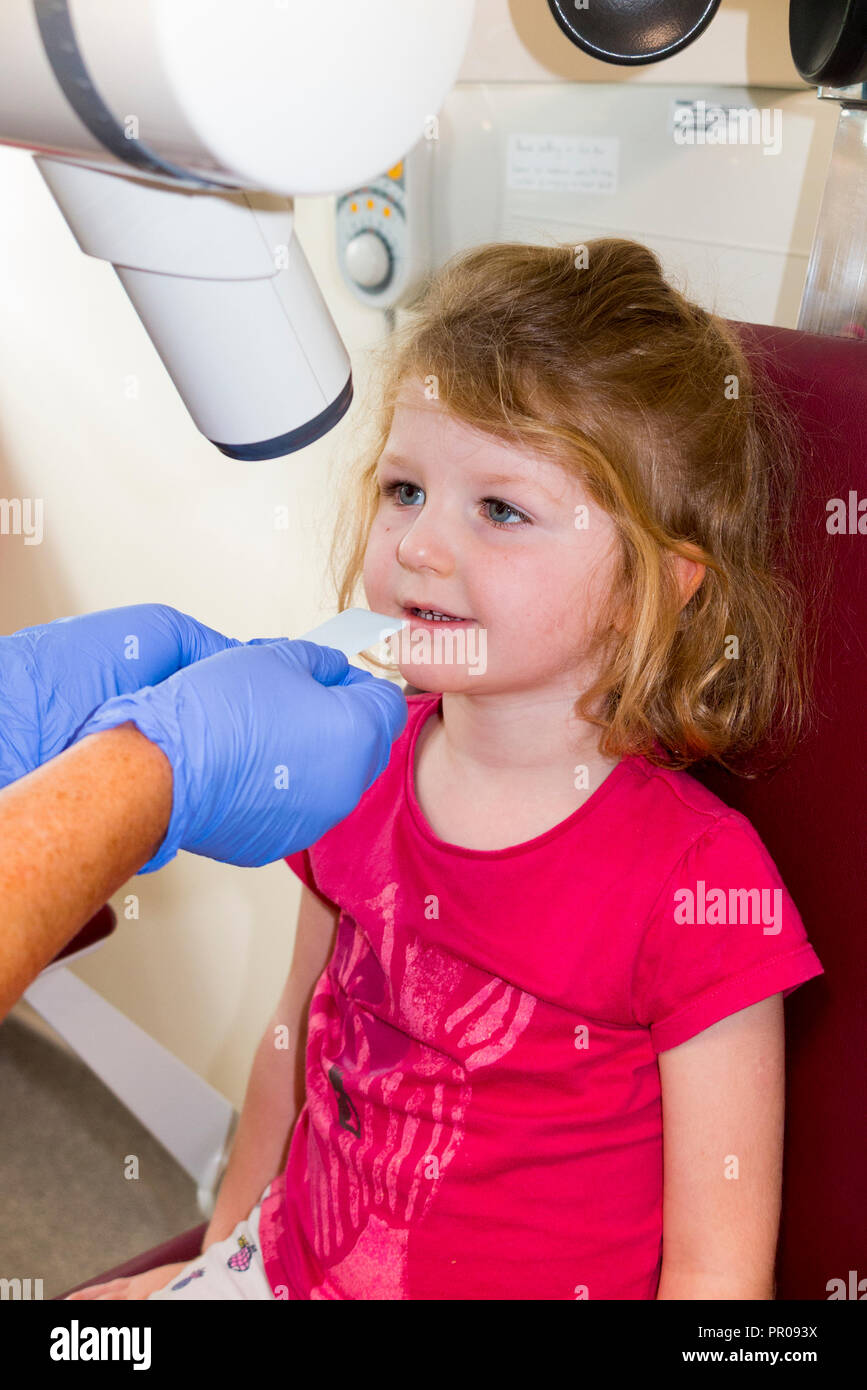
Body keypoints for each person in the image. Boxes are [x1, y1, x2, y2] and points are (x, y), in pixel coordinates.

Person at [70, 237, 825, 1302]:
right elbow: (289, 1043)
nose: (418, 546)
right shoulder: (352, 756)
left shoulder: (700, 886)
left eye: (500, 509)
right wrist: (218, 1261)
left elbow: (718, 1272)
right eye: (405, 489)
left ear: (652, 585)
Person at [0, 603, 407, 1019]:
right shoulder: (367, 779)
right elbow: (299, 1009)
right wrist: (150, 769)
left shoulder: (355, 762)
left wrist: (16, 703)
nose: (422, 560)